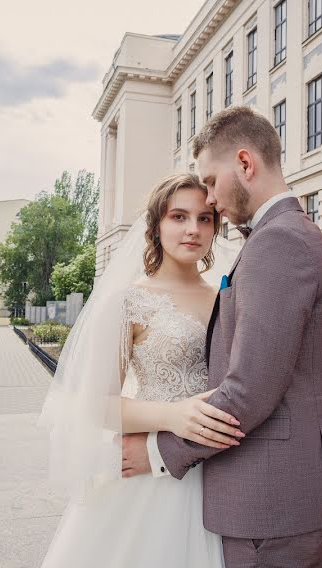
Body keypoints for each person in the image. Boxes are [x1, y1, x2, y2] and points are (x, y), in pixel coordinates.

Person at [121, 105, 322, 568]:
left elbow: (249, 391)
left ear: (246, 164)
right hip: (268, 489)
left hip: (270, 498)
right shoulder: (284, 235)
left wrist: (156, 449)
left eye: (211, 182)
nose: (209, 201)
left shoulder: (278, 242)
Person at [39, 172, 240, 567]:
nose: (193, 229)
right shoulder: (128, 301)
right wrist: (173, 415)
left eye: (205, 218)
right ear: (156, 225)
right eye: (178, 217)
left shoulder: (228, 296)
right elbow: (93, 404)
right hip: (151, 473)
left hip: (222, 470)